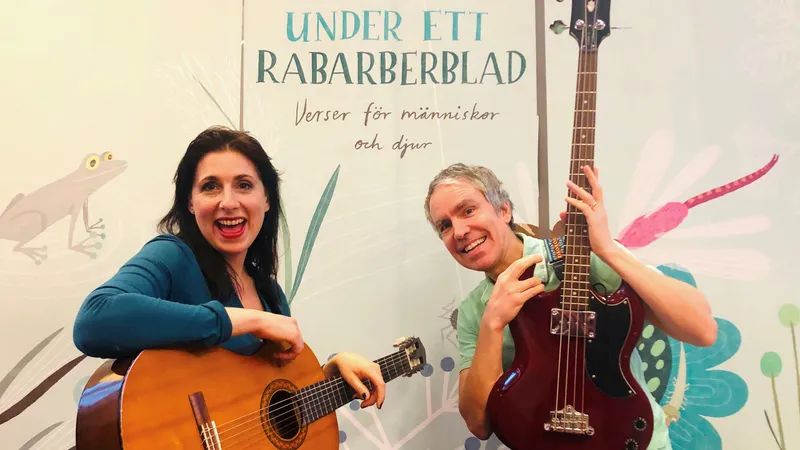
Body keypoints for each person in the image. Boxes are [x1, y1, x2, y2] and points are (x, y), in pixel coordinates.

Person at [72, 125, 385, 409]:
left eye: (244, 185)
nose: (228, 202)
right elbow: (93, 321)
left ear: (267, 199)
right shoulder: (172, 256)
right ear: (190, 203)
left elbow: (260, 409)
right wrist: (243, 320)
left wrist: (331, 373)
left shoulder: (270, 294)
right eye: (210, 186)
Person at [423, 163, 717, 448]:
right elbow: (479, 424)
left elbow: (702, 330)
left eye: (468, 210)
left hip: (631, 440)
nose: (459, 231)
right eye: (445, 226)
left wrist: (607, 249)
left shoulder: (582, 258)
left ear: (503, 210)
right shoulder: (474, 310)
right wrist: (492, 324)